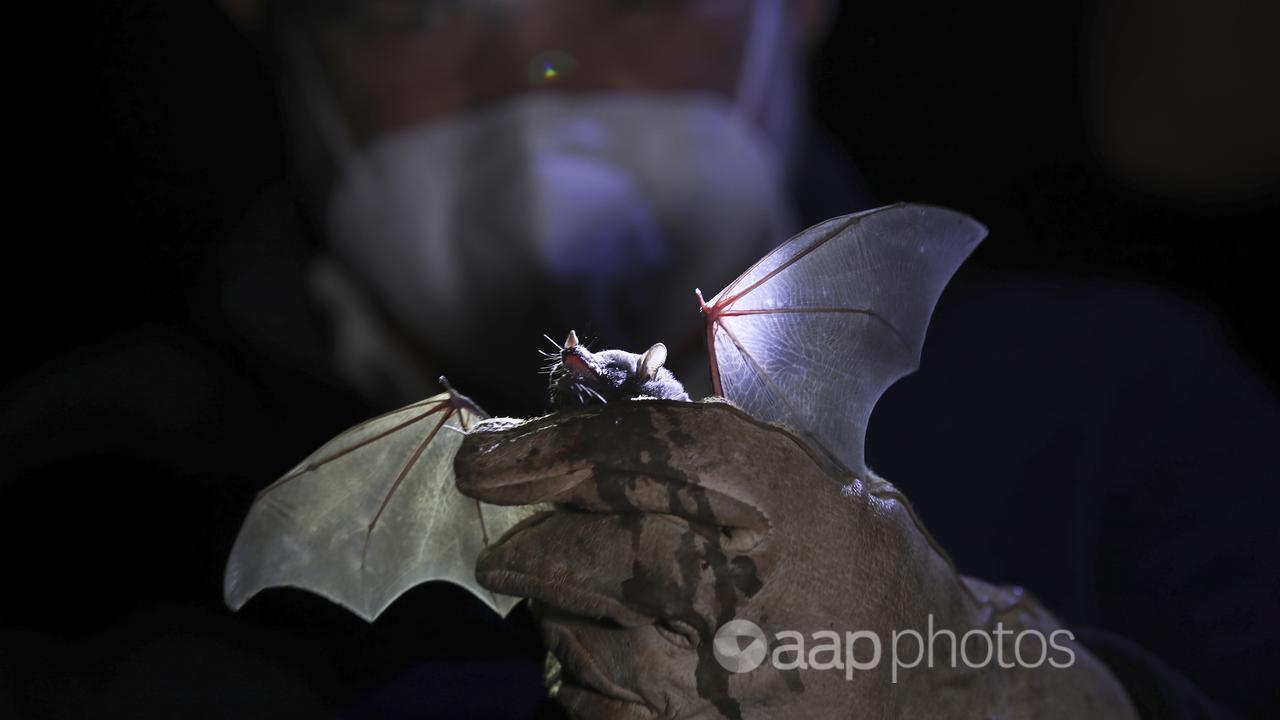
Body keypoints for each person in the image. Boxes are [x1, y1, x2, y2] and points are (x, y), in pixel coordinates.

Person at [3, 0, 1275, 717]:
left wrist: (984, 686)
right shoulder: (88, 500)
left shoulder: (1120, 400)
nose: (541, 76)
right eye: (409, 11)